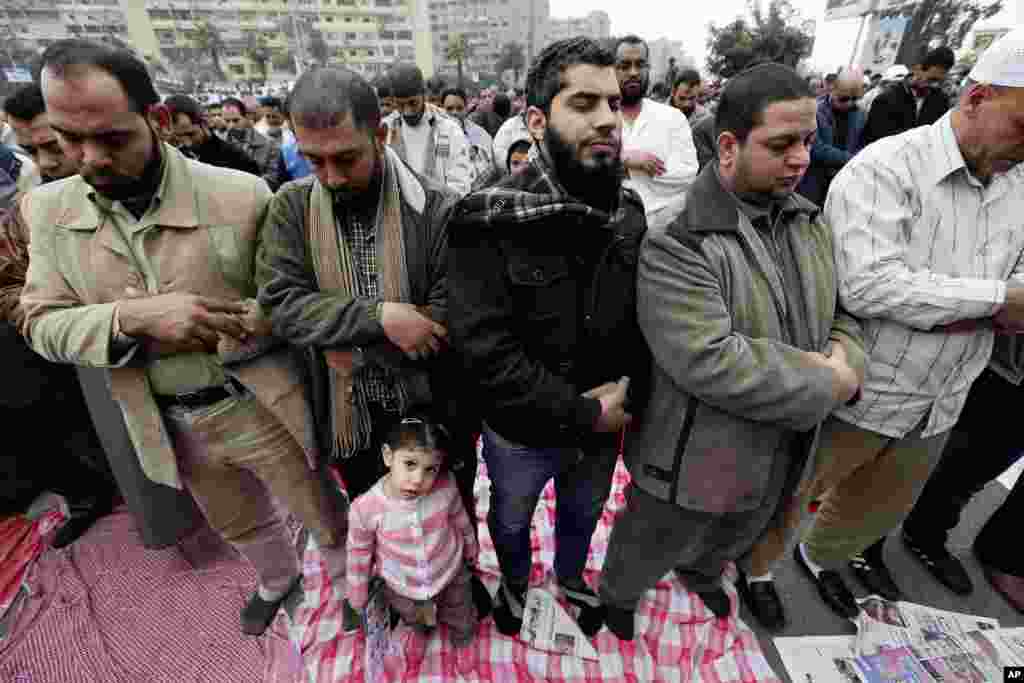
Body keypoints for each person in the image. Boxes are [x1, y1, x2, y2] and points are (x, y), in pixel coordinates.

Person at [20, 39, 349, 636]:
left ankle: (346, 586)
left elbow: (299, 301)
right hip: (165, 419)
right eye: (69, 138)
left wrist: (255, 321)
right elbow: (40, 323)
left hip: (257, 404)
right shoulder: (46, 210)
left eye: (113, 138)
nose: (90, 157)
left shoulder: (240, 193)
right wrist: (132, 320)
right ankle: (278, 580)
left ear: (159, 119)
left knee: (320, 509)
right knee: (236, 519)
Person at [597, 63, 866, 639]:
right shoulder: (678, 237)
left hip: (782, 447)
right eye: (781, 144)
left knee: (734, 532)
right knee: (650, 540)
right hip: (692, 457)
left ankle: (700, 574)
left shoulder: (806, 221)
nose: (801, 158)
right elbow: (710, 359)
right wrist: (831, 382)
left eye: (809, 141)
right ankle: (619, 594)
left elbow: (843, 313)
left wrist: (846, 357)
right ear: (727, 145)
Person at [793, 28, 1024, 619]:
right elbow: (871, 285)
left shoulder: (1016, 183)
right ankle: (756, 569)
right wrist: (995, 301)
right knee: (791, 495)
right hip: (868, 389)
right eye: (1022, 126)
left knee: (879, 502)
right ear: (976, 97)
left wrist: (948, 308)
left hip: (944, 395)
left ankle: (820, 559)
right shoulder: (888, 166)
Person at [447, 36, 651, 639]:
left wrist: (625, 400)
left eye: (613, 103)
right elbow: (486, 353)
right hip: (523, 434)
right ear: (536, 121)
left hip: (602, 429)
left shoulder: (629, 213)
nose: (607, 119)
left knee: (583, 517)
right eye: (584, 103)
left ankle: (569, 580)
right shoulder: (486, 219)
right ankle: (514, 584)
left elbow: (642, 323)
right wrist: (583, 412)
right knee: (509, 520)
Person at [0, 86, 119, 549]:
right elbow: (9, 281)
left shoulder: (140, 186)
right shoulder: (33, 208)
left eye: (55, 146)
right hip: (59, 346)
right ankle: (90, 492)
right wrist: (50, 321)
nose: (47, 163)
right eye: (33, 150)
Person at [899, 337, 1024, 611]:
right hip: (1005, 362)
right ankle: (916, 532)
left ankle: (926, 530)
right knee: (968, 456)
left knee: (985, 462)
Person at [346, 414, 478, 648]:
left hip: (450, 569)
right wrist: (358, 592)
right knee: (414, 615)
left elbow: (461, 519)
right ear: (388, 456)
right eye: (409, 464)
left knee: (460, 607)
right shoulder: (364, 509)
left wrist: (471, 547)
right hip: (402, 584)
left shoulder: (446, 486)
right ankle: (422, 630)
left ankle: (463, 635)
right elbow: (358, 554)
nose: (418, 479)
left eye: (430, 469)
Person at [614, 36, 698, 231]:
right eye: (625, 65)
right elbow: (586, 168)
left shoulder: (673, 118)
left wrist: (631, 170)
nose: (633, 72)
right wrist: (626, 159)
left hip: (664, 232)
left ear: (648, 68)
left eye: (640, 64)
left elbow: (687, 173)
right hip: (612, 234)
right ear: (613, 70)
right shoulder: (599, 118)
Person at [381, 64, 473, 196]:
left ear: (424, 94)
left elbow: (459, 183)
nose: (407, 112)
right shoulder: (385, 130)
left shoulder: (448, 129)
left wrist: (438, 207)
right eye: (400, 105)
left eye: (413, 103)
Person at [797, 68, 866, 206]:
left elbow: (862, 144)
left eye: (855, 99)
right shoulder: (815, 110)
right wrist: (852, 159)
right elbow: (816, 148)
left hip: (843, 182)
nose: (849, 103)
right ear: (832, 90)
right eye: (844, 99)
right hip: (813, 182)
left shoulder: (860, 115)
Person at [861, 47, 954, 146]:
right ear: (917, 70)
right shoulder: (886, 99)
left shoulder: (941, 102)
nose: (936, 86)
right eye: (932, 80)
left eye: (941, 82)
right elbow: (872, 141)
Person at [164, 95, 262, 176]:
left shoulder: (237, 158)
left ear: (205, 124)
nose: (187, 143)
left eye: (191, 134)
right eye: (178, 136)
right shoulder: (169, 160)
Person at [221, 96, 284, 190]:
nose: (231, 126)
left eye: (235, 120)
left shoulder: (269, 144)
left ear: (246, 117)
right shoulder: (218, 143)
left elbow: (273, 178)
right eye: (227, 121)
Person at [442, 86, 495, 191]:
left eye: (459, 108)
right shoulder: (436, 135)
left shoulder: (478, 133)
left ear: (466, 109)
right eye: (449, 108)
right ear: (441, 109)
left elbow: (490, 165)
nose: (454, 112)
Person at [672, 69, 716, 171]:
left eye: (692, 98)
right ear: (673, 92)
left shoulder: (706, 118)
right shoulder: (658, 114)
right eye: (682, 98)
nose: (687, 104)